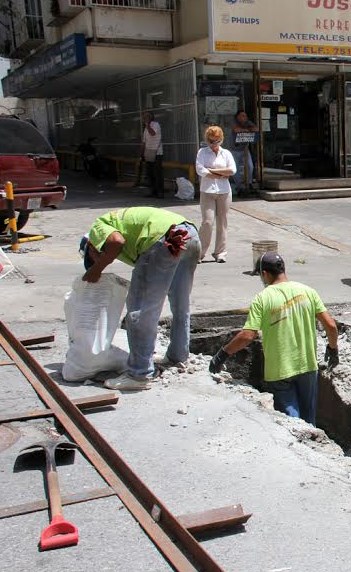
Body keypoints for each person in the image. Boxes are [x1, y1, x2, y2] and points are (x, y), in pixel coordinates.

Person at [208, 252, 339, 424]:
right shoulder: (308, 291)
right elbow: (331, 326)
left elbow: (248, 335)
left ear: (264, 274)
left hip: (279, 372)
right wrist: (332, 348)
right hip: (308, 367)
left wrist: (222, 354)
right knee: (309, 421)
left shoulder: (262, 299)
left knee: (292, 423)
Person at [79, 207, 201, 391]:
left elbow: (116, 241)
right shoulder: (119, 222)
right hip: (189, 234)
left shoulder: (99, 227)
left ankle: (139, 374)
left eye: (94, 259)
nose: (99, 262)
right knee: (180, 303)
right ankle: (178, 355)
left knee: (140, 310)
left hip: (163, 239)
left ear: (90, 247)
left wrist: (95, 270)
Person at [195, 125, 236, 263]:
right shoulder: (202, 152)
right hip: (207, 191)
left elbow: (232, 170)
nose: (214, 145)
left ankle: (220, 252)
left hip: (224, 191)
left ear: (221, 140)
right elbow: (201, 170)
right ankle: (199, 253)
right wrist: (219, 174)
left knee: (222, 222)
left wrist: (212, 171)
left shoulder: (226, 154)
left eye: (217, 141)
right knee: (207, 222)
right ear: (207, 141)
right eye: (211, 141)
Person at [231, 110, 259, 195]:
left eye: (245, 116)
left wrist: (246, 129)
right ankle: (239, 186)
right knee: (235, 169)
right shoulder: (234, 122)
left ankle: (249, 183)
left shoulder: (247, 123)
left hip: (245, 149)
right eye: (242, 116)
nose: (244, 118)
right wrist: (247, 130)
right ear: (238, 117)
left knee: (250, 166)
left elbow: (256, 129)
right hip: (234, 149)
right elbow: (236, 129)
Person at [140, 112, 164, 198]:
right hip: (148, 152)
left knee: (157, 172)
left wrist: (147, 125)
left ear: (151, 118)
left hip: (157, 152)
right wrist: (141, 154)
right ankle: (153, 191)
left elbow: (153, 133)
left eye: (147, 117)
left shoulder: (155, 125)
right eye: (144, 117)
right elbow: (144, 142)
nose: (145, 118)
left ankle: (160, 192)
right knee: (150, 173)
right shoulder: (146, 129)